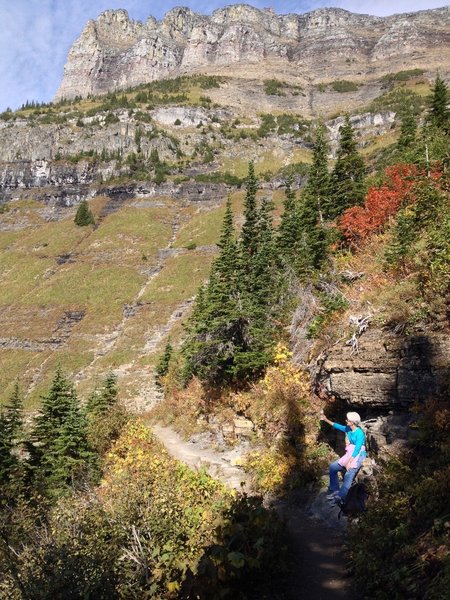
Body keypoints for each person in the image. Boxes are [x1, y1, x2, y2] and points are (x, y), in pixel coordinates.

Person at [320, 410, 366, 503]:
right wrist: (325, 419)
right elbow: (337, 426)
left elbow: (357, 449)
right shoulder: (349, 429)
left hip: (358, 454)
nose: (346, 421)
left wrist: (349, 463)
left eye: (347, 420)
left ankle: (340, 497)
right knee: (333, 467)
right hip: (350, 452)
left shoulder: (360, 433)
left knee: (348, 475)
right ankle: (335, 490)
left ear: (352, 423)